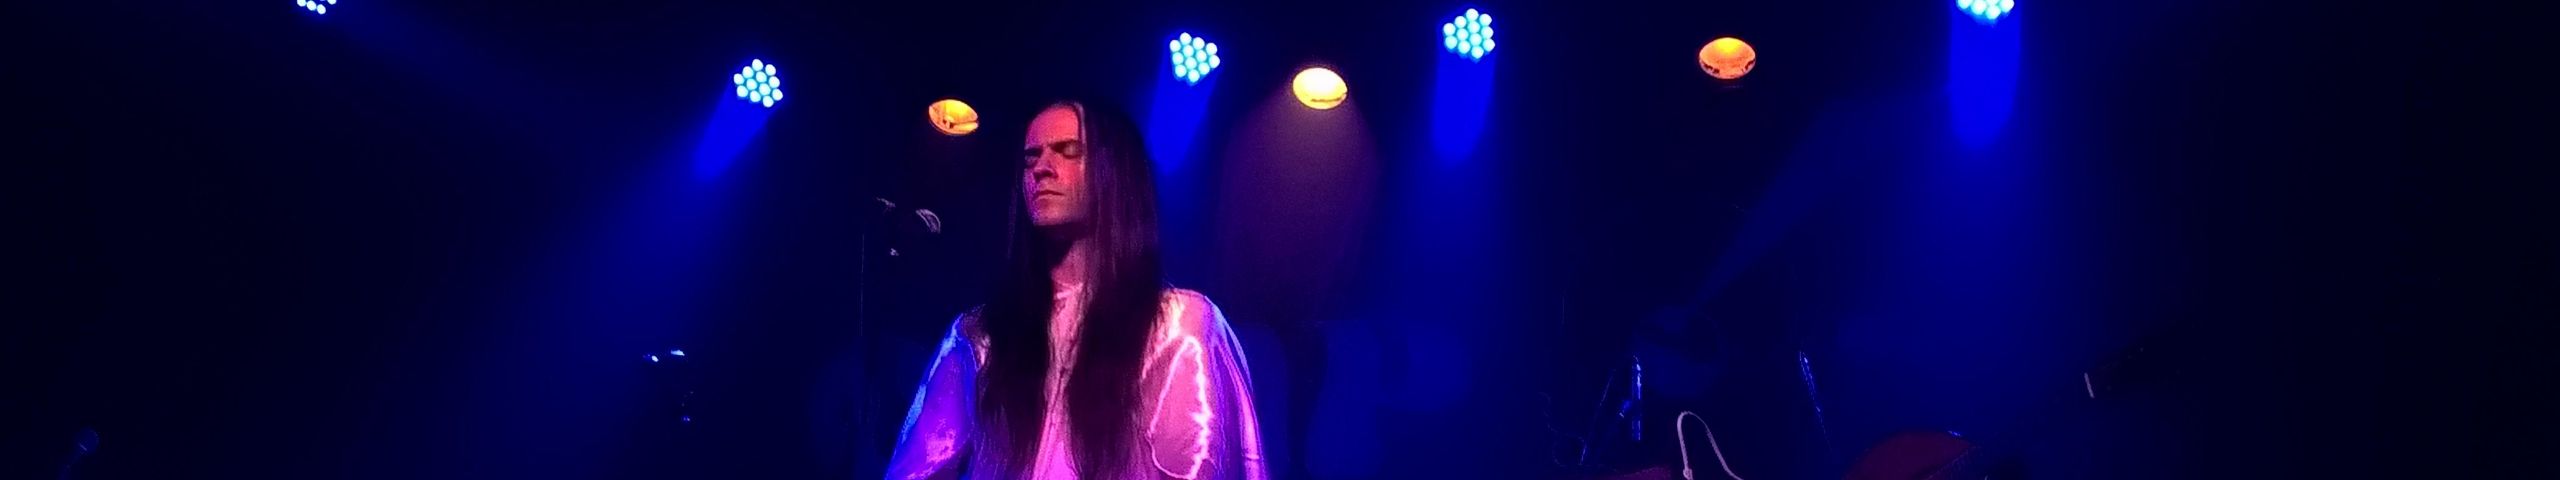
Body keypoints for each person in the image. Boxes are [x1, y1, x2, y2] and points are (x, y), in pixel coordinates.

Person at [885, 101, 1267, 480]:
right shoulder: (980, 334)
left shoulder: (1180, 326)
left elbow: (1200, 463)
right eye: (1030, 158)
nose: (1041, 168)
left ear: (1113, 172)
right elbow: (919, 466)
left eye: (1068, 151)